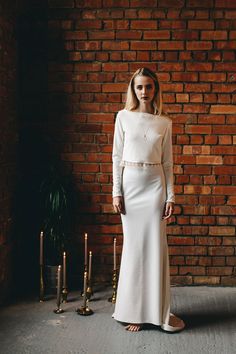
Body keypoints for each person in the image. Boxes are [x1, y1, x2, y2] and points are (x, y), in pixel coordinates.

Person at [111, 67, 185, 333]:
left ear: (156, 90)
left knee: (154, 249)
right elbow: (116, 157)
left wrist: (171, 197)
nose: (144, 92)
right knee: (134, 249)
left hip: (155, 187)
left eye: (149, 87)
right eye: (139, 87)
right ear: (133, 89)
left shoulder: (164, 122)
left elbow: (168, 162)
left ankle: (155, 311)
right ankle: (133, 311)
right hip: (130, 186)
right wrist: (116, 192)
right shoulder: (123, 117)